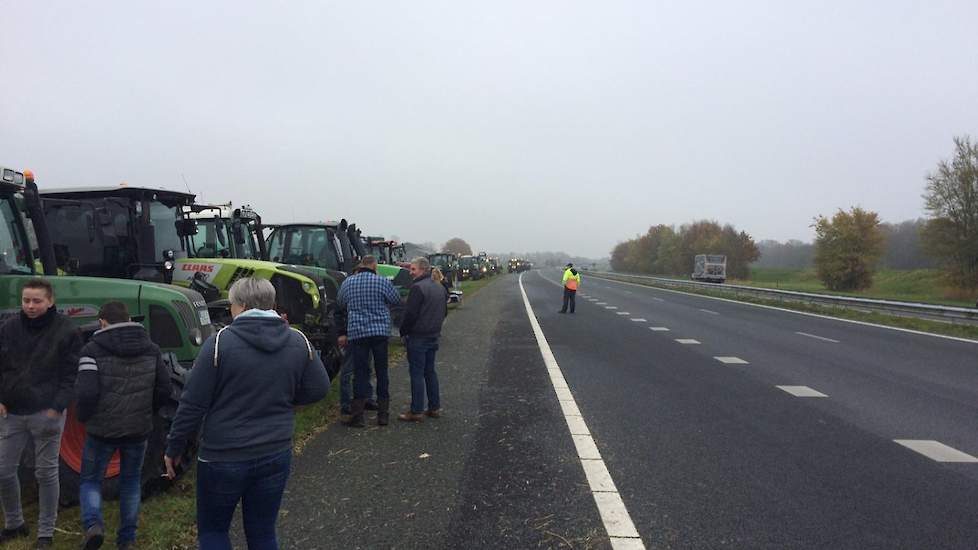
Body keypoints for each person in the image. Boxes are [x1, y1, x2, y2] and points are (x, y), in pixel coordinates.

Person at [164, 278, 330, 549]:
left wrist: (174, 447)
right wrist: (286, 400)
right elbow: (319, 387)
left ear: (239, 305)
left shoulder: (219, 344)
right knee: (263, 531)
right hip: (275, 451)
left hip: (223, 456)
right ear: (271, 304)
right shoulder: (297, 340)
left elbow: (192, 404)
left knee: (214, 531)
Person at [75, 301, 172, 550]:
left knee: (90, 480)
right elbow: (165, 389)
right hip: (138, 429)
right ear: (129, 319)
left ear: (102, 322)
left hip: (101, 431)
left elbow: (86, 393)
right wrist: (147, 412)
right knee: (131, 482)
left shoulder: (91, 350)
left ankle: (93, 525)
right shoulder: (151, 349)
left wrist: (84, 418)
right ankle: (127, 540)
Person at [0, 278, 82, 549]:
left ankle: (45, 532)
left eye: (37, 301)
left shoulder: (66, 331)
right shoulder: (9, 328)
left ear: (50, 301)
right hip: (12, 412)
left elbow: (71, 374)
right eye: (26, 301)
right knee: (4, 470)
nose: (31, 306)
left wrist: (57, 406)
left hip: (47, 414)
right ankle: (14, 523)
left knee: (46, 473)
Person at [337, 255, 402, 428]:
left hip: (358, 334)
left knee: (360, 373)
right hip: (380, 333)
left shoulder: (348, 283)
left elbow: (340, 304)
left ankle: (357, 416)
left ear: (361, 265)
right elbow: (396, 300)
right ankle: (383, 415)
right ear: (374, 266)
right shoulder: (382, 282)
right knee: (381, 372)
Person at [398, 257, 448, 422]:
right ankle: (435, 407)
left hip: (418, 336)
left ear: (423, 270)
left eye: (413, 269)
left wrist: (403, 331)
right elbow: (444, 311)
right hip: (433, 334)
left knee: (417, 374)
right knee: (430, 372)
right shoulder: (439, 287)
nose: (411, 272)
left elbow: (410, 314)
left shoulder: (418, 288)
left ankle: (416, 410)